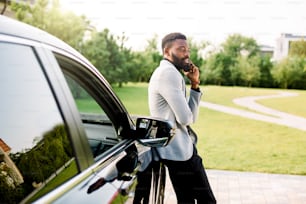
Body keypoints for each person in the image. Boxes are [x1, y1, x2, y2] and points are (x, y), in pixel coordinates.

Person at [148, 32, 216, 204]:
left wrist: (194, 85)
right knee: (207, 201)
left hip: (174, 151)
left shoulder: (165, 71)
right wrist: (194, 89)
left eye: (188, 50)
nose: (186, 54)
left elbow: (188, 117)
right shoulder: (169, 74)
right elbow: (186, 119)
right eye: (181, 49)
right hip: (181, 154)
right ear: (166, 51)